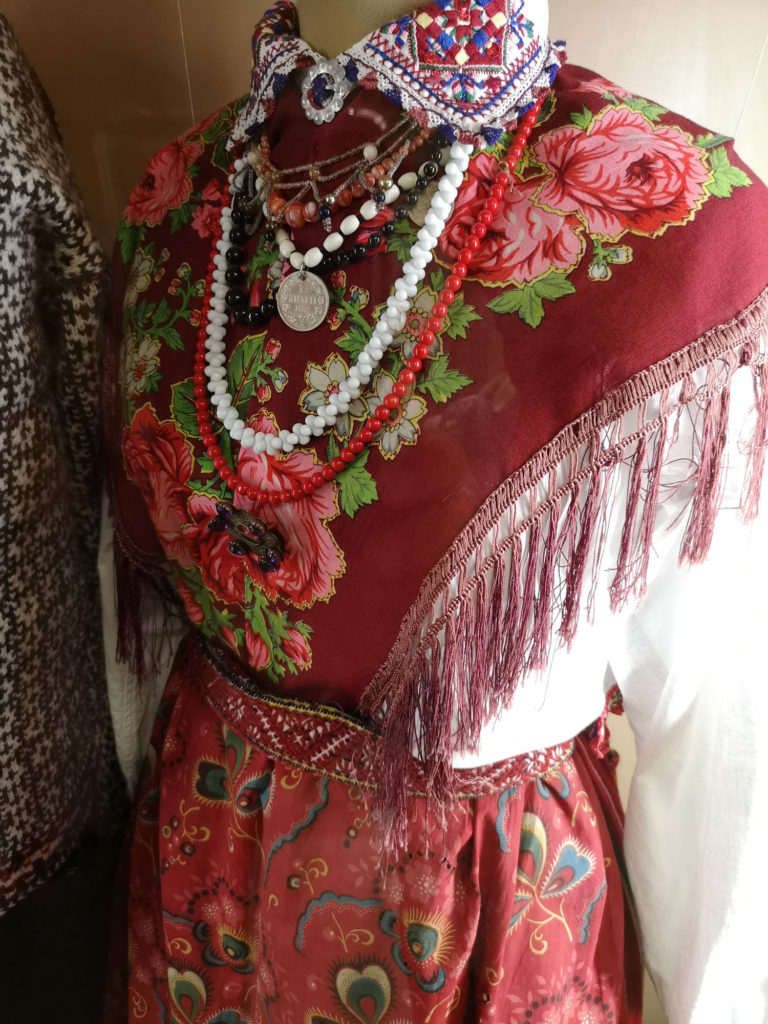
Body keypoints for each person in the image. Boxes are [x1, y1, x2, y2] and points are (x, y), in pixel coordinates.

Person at [105, 1, 768, 1019]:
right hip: (204, 881)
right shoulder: (176, 195)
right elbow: (140, 635)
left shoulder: (680, 240)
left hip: (475, 935)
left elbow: (718, 730)